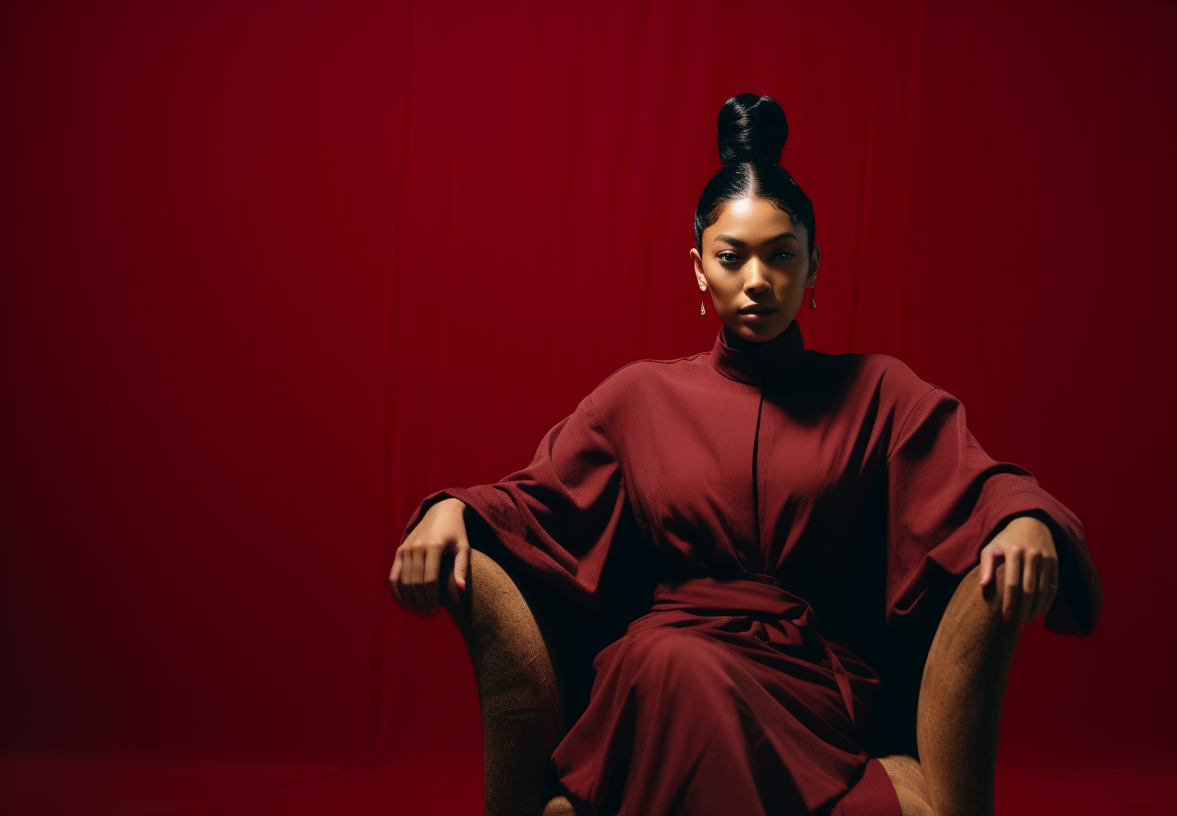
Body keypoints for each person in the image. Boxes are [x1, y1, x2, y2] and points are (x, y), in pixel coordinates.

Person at [389, 93, 1102, 816]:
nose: (757, 279)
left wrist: (1024, 522)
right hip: (663, 660)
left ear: (813, 265)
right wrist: (450, 512)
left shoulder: (879, 389)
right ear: (699, 268)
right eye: (732, 257)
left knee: (682, 674)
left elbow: (978, 484)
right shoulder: (637, 397)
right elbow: (534, 501)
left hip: (808, 681)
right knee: (674, 665)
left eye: (781, 255)